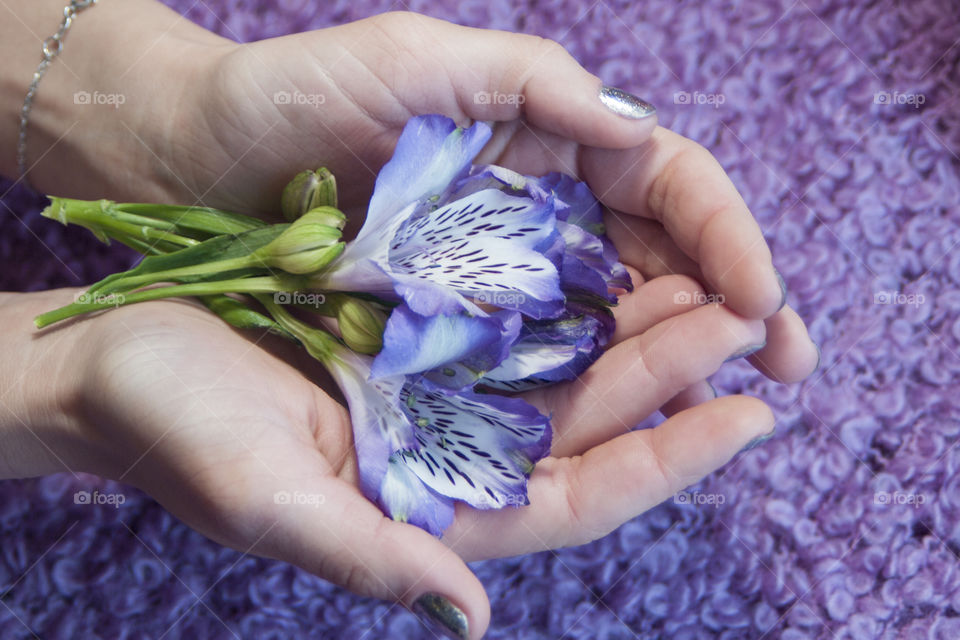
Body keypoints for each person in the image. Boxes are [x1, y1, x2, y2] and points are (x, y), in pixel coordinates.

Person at [0, 1, 819, 638]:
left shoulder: (365, 296)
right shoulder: (377, 260)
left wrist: (155, 112)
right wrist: (64, 386)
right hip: (374, 276)